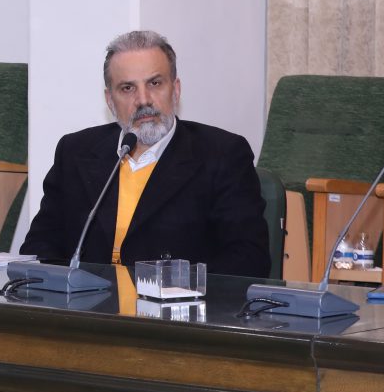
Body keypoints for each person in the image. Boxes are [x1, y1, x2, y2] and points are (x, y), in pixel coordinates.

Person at [20, 29, 271, 277]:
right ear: (110, 100)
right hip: (87, 300)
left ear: (175, 90)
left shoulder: (222, 154)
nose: (143, 100)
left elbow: (249, 259)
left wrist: (173, 287)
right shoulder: (75, 151)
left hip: (175, 302)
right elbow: (39, 247)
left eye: (155, 83)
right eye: (127, 88)